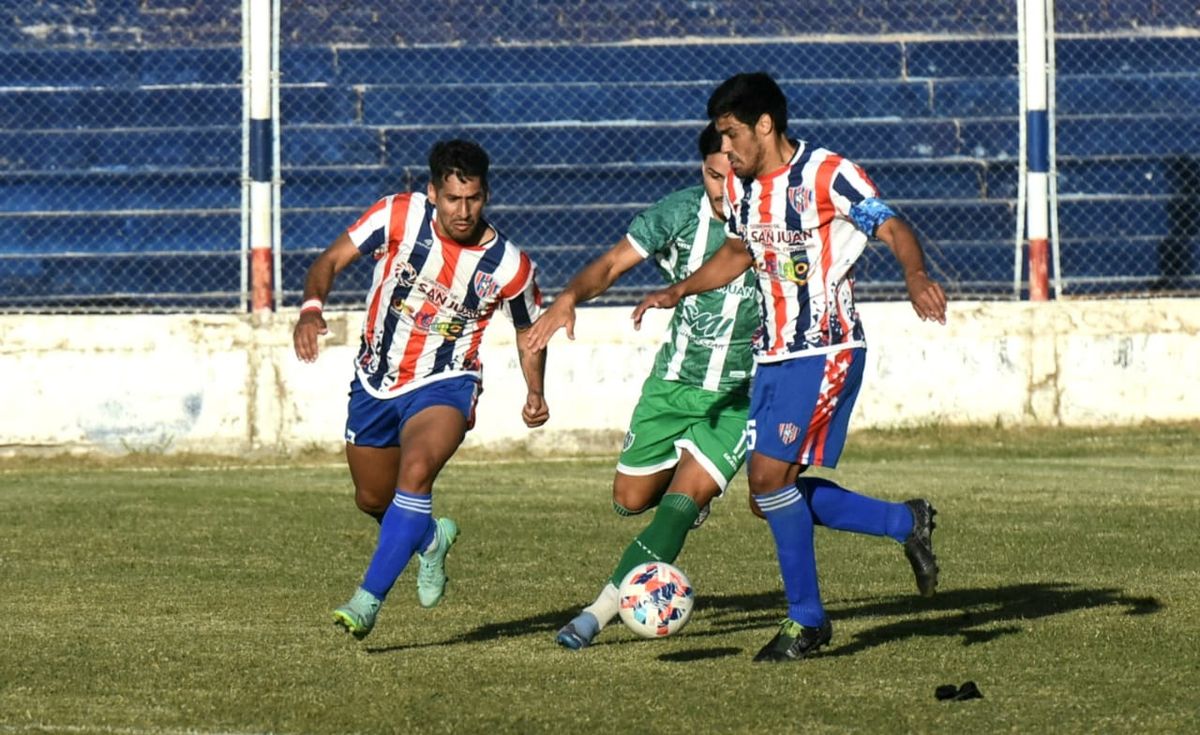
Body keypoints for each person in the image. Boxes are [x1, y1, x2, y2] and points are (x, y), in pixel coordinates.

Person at [632, 72, 948, 662]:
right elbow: (738, 251)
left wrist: (915, 275)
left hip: (825, 349)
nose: (725, 149)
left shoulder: (828, 174)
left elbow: (892, 225)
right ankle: (905, 522)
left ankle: (807, 621)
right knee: (767, 497)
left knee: (768, 481)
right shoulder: (744, 189)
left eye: (732, 135)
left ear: (765, 125)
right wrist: (680, 289)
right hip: (773, 356)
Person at [293, 139, 549, 640]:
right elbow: (330, 260)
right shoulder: (397, 215)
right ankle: (430, 537)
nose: (463, 211)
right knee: (372, 498)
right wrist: (310, 309)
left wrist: (535, 390)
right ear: (433, 193)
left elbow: (528, 331)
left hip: (446, 380)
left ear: (486, 195)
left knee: (415, 474)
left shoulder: (509, 266)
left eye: (473, 199)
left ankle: (366, 600)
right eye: (453, 199)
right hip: (376, 378)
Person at [524, 122, 760, 650]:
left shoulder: (771, 216)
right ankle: (688, 485)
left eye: (733, 175)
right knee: (629, 500)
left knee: (678, 508)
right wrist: (568, 298)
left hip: (740, 395)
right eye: (713, 175)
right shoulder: (677, 215)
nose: (724, 187)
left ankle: (594, 615)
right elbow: (612, 263)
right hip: (672, 386)